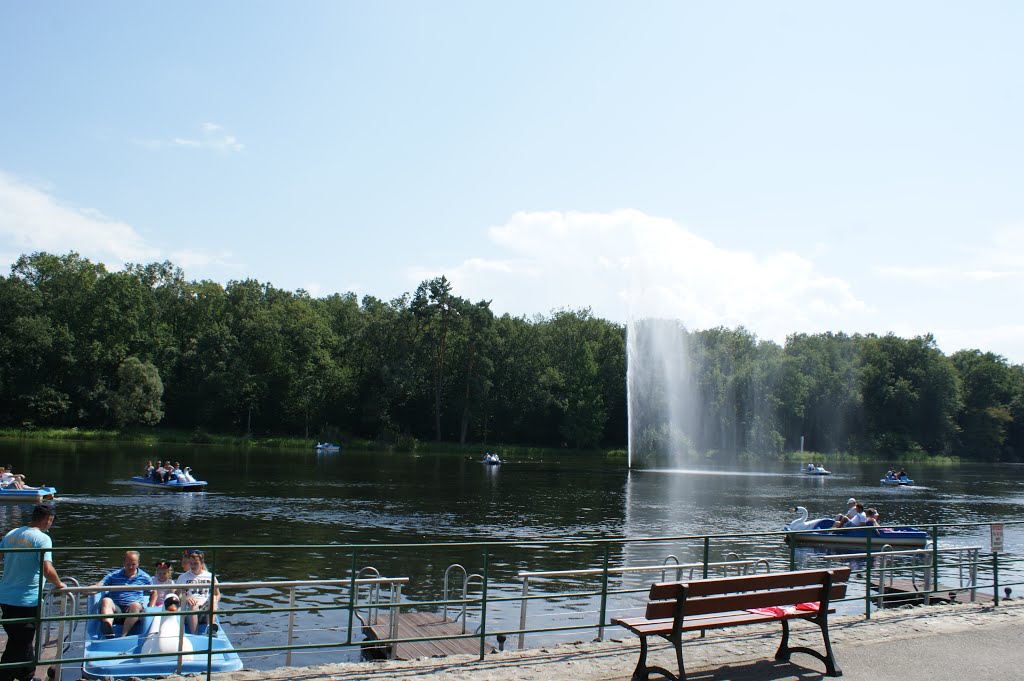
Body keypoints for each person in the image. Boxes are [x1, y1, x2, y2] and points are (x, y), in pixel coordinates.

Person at [0, 504, 66, 681]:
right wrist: (60, 584)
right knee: (19, 642)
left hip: (5, 596)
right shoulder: (42, 539)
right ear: (48, 519)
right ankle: (4, 675)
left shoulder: (12, 534)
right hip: (26, 599)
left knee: (21, 639)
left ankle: (26, 675)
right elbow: (47, 568)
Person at [95, 551, 152, 638]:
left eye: (133, 564)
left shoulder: (145, 577)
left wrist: (151, 606)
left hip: (134, 611)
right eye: (128, 564)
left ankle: (123, 635)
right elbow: (99, 585)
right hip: (117, 609)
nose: (130, 567)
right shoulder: (114, 575)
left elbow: (154, 591)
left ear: (138, 563)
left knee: (135, 605)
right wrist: (85, 590)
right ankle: (108, 629)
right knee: (106, 600)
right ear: (124, 562)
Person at [176, 550, 220, 634]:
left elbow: (217, 594)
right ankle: (194, 633)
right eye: (191, 563)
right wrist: (186, 597)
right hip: (190, 608)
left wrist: (214, 601)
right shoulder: (183, 577)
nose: (193, 566)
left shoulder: (210, 576)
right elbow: (177, 595)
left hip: (205, 608)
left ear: (202, 562)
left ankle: (210, 627)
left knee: (213, 598)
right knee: (194, 605)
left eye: (195, 563)